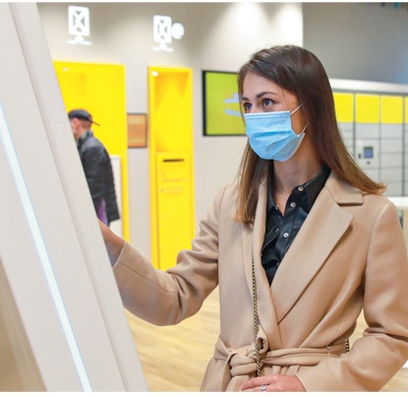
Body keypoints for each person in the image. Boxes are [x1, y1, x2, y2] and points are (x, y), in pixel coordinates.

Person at [99, 45, 408, 391]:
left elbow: (392, 335)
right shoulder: (230, 203)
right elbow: (176, 297)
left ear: (312, 107)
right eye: (247, 105)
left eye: (267, 102)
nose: (254, 115)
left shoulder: (371, 215)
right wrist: (110, 248)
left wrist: (311, 384)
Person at [69, 109, 120, 226]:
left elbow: (94, 188)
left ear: (75, 123)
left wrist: (86, 215)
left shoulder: (92, 148)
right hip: (96, 209)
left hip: (97, 211)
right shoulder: (87, 145)